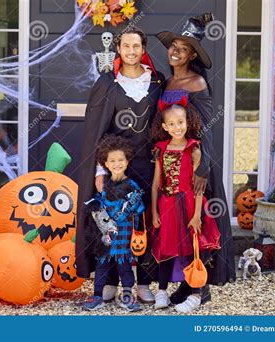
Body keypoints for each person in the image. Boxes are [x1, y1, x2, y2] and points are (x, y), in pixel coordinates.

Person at [76, 26, 165, 304]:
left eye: (136, 46)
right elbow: (97, 130)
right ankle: (112, 280)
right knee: (113, 224)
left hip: (148, 165)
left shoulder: (156, 81)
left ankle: (144, 283)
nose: (131, 51)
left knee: (145, 222)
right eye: (126, 46)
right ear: (118, 49)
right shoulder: (107, 83)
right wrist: (101, 169)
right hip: (116, 167)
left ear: (143, 48)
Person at [155, 13, 236, 305]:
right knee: (176, 225)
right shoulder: (166, 82)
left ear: (192, 55)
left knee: (196, 226)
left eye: (183, 48)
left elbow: (206, 130)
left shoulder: (196, 82)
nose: (175, 51)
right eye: (173, 46)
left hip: (194, 164)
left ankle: (201, 287)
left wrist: (202, 168)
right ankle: (185, 284)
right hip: (172, 163)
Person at [150, 103, 220, 313]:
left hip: (189, 205)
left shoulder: (194, 149)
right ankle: (161, 292)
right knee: (165, 249)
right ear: (164, 126)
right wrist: (154, 211)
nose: (177, 127)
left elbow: (198, 187)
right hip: (166, 206)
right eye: (171, 124)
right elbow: (156, 183)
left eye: (180, 122)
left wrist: (197, 215)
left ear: (187, 123)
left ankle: (196, 295)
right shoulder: (160, 149)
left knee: (192, 249)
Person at [83, 135, 145, 312]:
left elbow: (139, 208)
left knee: (125, 267)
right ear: (106, 164)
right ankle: (97, 297)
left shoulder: (132, 186)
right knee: (101, 266)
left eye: (120, 160)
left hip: (124, 235)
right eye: (112, 161)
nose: (117, 164)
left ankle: (127, 296)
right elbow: (100, 207)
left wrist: (128, 209)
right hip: (106, 236)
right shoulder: (104, 186)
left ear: (127, 161)